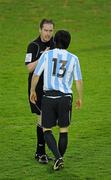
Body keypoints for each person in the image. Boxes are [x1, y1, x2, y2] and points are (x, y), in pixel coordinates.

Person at [30, 30, 83, 170]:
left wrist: (32, 90)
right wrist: (80, 97)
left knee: (46, 129)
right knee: (63, 130)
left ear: (55, 41)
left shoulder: (47, 55)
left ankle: (58, 158)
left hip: (48, 98)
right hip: (65, 98)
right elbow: (78, 80)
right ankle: (60, 159)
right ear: (68, 42)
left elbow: (36, 75)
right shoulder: (73, 58)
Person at [25, 19, 55, 164]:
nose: (48, 34)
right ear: (40, 30)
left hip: (52, 87)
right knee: (43, 119)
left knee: (47, 120)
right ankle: (40, 153)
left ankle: (41, 152)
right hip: (37, 89)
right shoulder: (33, 45)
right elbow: (29, 68)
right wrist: (43, 57)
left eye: (50, 31)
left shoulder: (55, 44)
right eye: (45, 30)